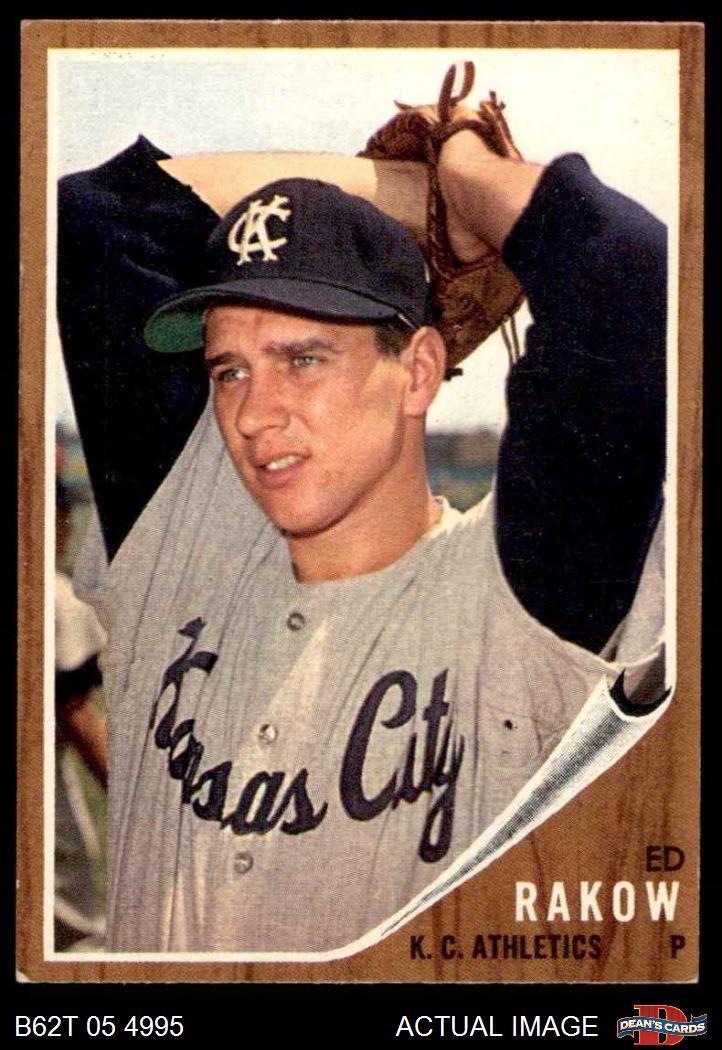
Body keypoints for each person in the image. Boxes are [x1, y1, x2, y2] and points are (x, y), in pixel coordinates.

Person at [56, 113, 667, 953]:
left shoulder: (524, 591)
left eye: (303, 358)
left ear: (419, 371)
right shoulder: (182, 541)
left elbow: (631, 271)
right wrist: (412, 199)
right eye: (229, 369)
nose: (253, 413)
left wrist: (463, 171)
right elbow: (98, 213)